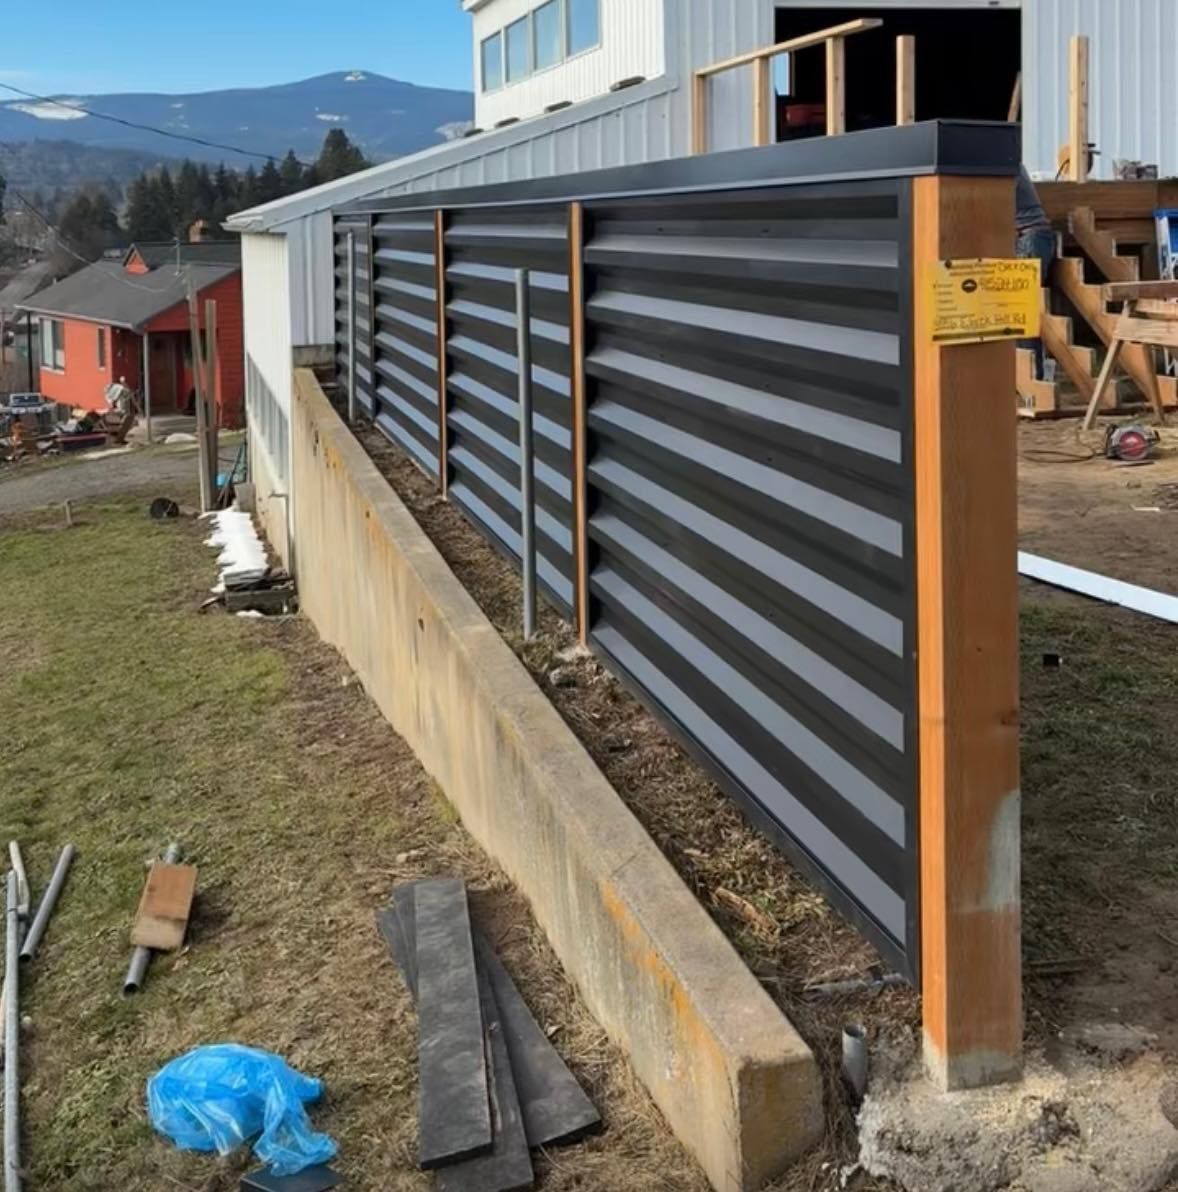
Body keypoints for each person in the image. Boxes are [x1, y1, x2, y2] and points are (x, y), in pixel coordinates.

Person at [1016, 166, 1056, 380]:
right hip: (1030, 236)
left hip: (1029, 236)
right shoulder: (1008, 158)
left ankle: (1033, 379)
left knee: (1022, 309)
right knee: (1022, 309)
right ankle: (1031, 377)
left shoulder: (1004, 161)